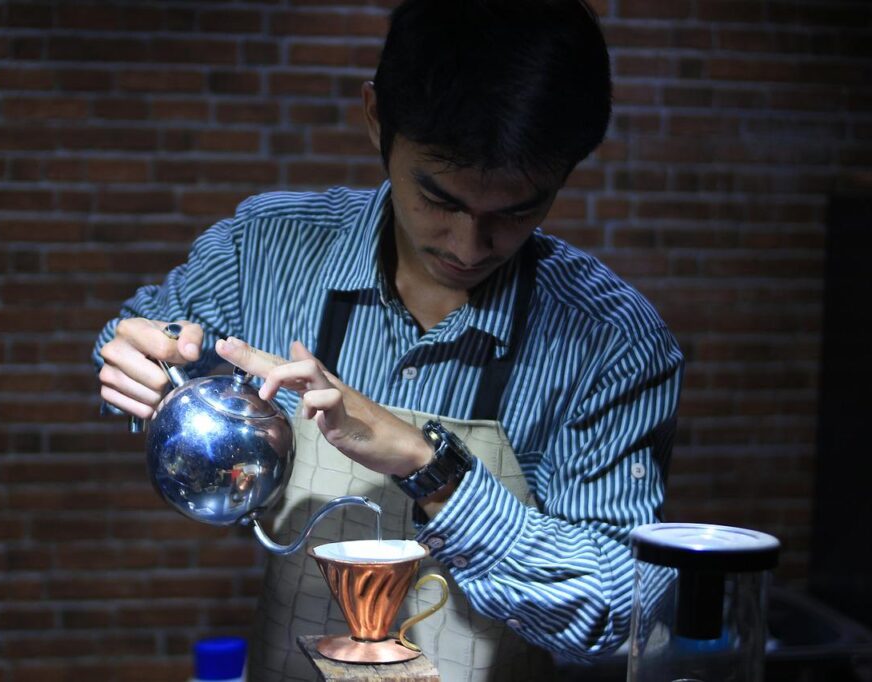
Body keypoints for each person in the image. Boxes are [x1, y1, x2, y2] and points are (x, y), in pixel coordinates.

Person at [94, 0, 684, 680]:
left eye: (518, 210)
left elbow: (615, 613)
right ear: (376, 116)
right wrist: (136, 359)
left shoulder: (614, 342)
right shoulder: (264, 250)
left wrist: (425, 464)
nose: (469, 246)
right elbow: (142, 334)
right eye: (440, 199)